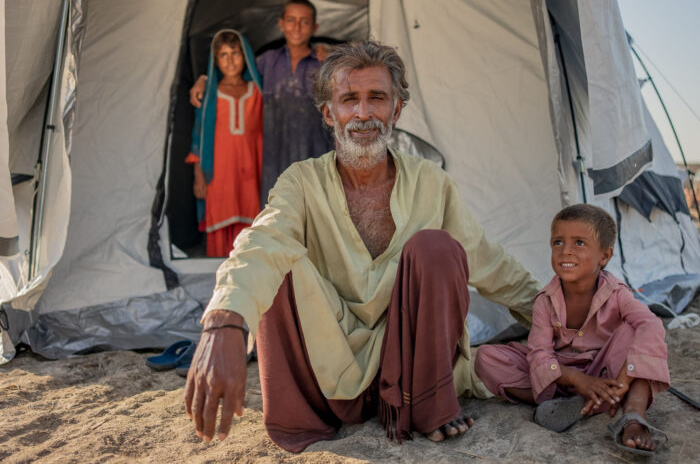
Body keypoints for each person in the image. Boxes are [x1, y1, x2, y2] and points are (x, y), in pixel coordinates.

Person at [184, 40, 541, 452]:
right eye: (349, 99)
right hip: (326, 374)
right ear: (328, 112)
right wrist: (224, 322)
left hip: (409, 374)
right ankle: (312, 422)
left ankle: (428, 404)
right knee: (277, 258)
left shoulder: (431, 182)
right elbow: (261, 242)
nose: (363, 113)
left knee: (438, 249)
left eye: (377, 98)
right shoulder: (301, 182)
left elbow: (488, 262)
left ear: (396, 110)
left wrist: (559, 319)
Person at [475, 204, 669, 455]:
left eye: (579, 243)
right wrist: (579, 379)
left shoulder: (617, 294)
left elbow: (651, 325)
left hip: (605, 373)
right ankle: (579, 402)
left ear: (604, 256)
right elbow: (539, 356)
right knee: (487, 357)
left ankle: (632, 416)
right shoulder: (545, 300)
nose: (565, 251)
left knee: (638, 334)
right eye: (557, 242)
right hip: (560, 378)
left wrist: (623, 381)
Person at [190, 0, 333, 207]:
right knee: (276, 212)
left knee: (314, 211)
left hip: (313, 152)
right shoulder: (267, 61)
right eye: (291, 20)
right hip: (273, 154)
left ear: (315, 27)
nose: (297, 27)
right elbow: (234, 77)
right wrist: (204, 80)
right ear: (281, 24)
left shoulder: (324, 63)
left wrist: (332, 53)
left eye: (304, 21)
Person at [185, 29, 263, 257]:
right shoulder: (209, 95)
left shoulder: (258, 91)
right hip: (218, 177)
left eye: (236, 53)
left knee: (252, 232)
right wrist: (199, 175)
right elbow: (197, 137)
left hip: (251, 176)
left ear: (246, 56)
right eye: (224, 55)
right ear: (215, 60)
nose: (230, 60)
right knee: (219, 233)